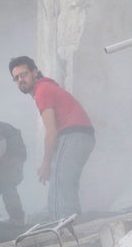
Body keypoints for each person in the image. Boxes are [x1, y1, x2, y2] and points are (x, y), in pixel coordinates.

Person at [8, 55, 95, 221]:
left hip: (73, 134)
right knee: (66, 183)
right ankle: (74, 225)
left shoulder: (42, 90)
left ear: (34, 72)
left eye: (24, 74)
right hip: (82, 136)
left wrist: (46, 164)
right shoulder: (46, 87)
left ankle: (60, 229)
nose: (21, 80)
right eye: (16, 78)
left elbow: (51, 132)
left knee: (59, 182)